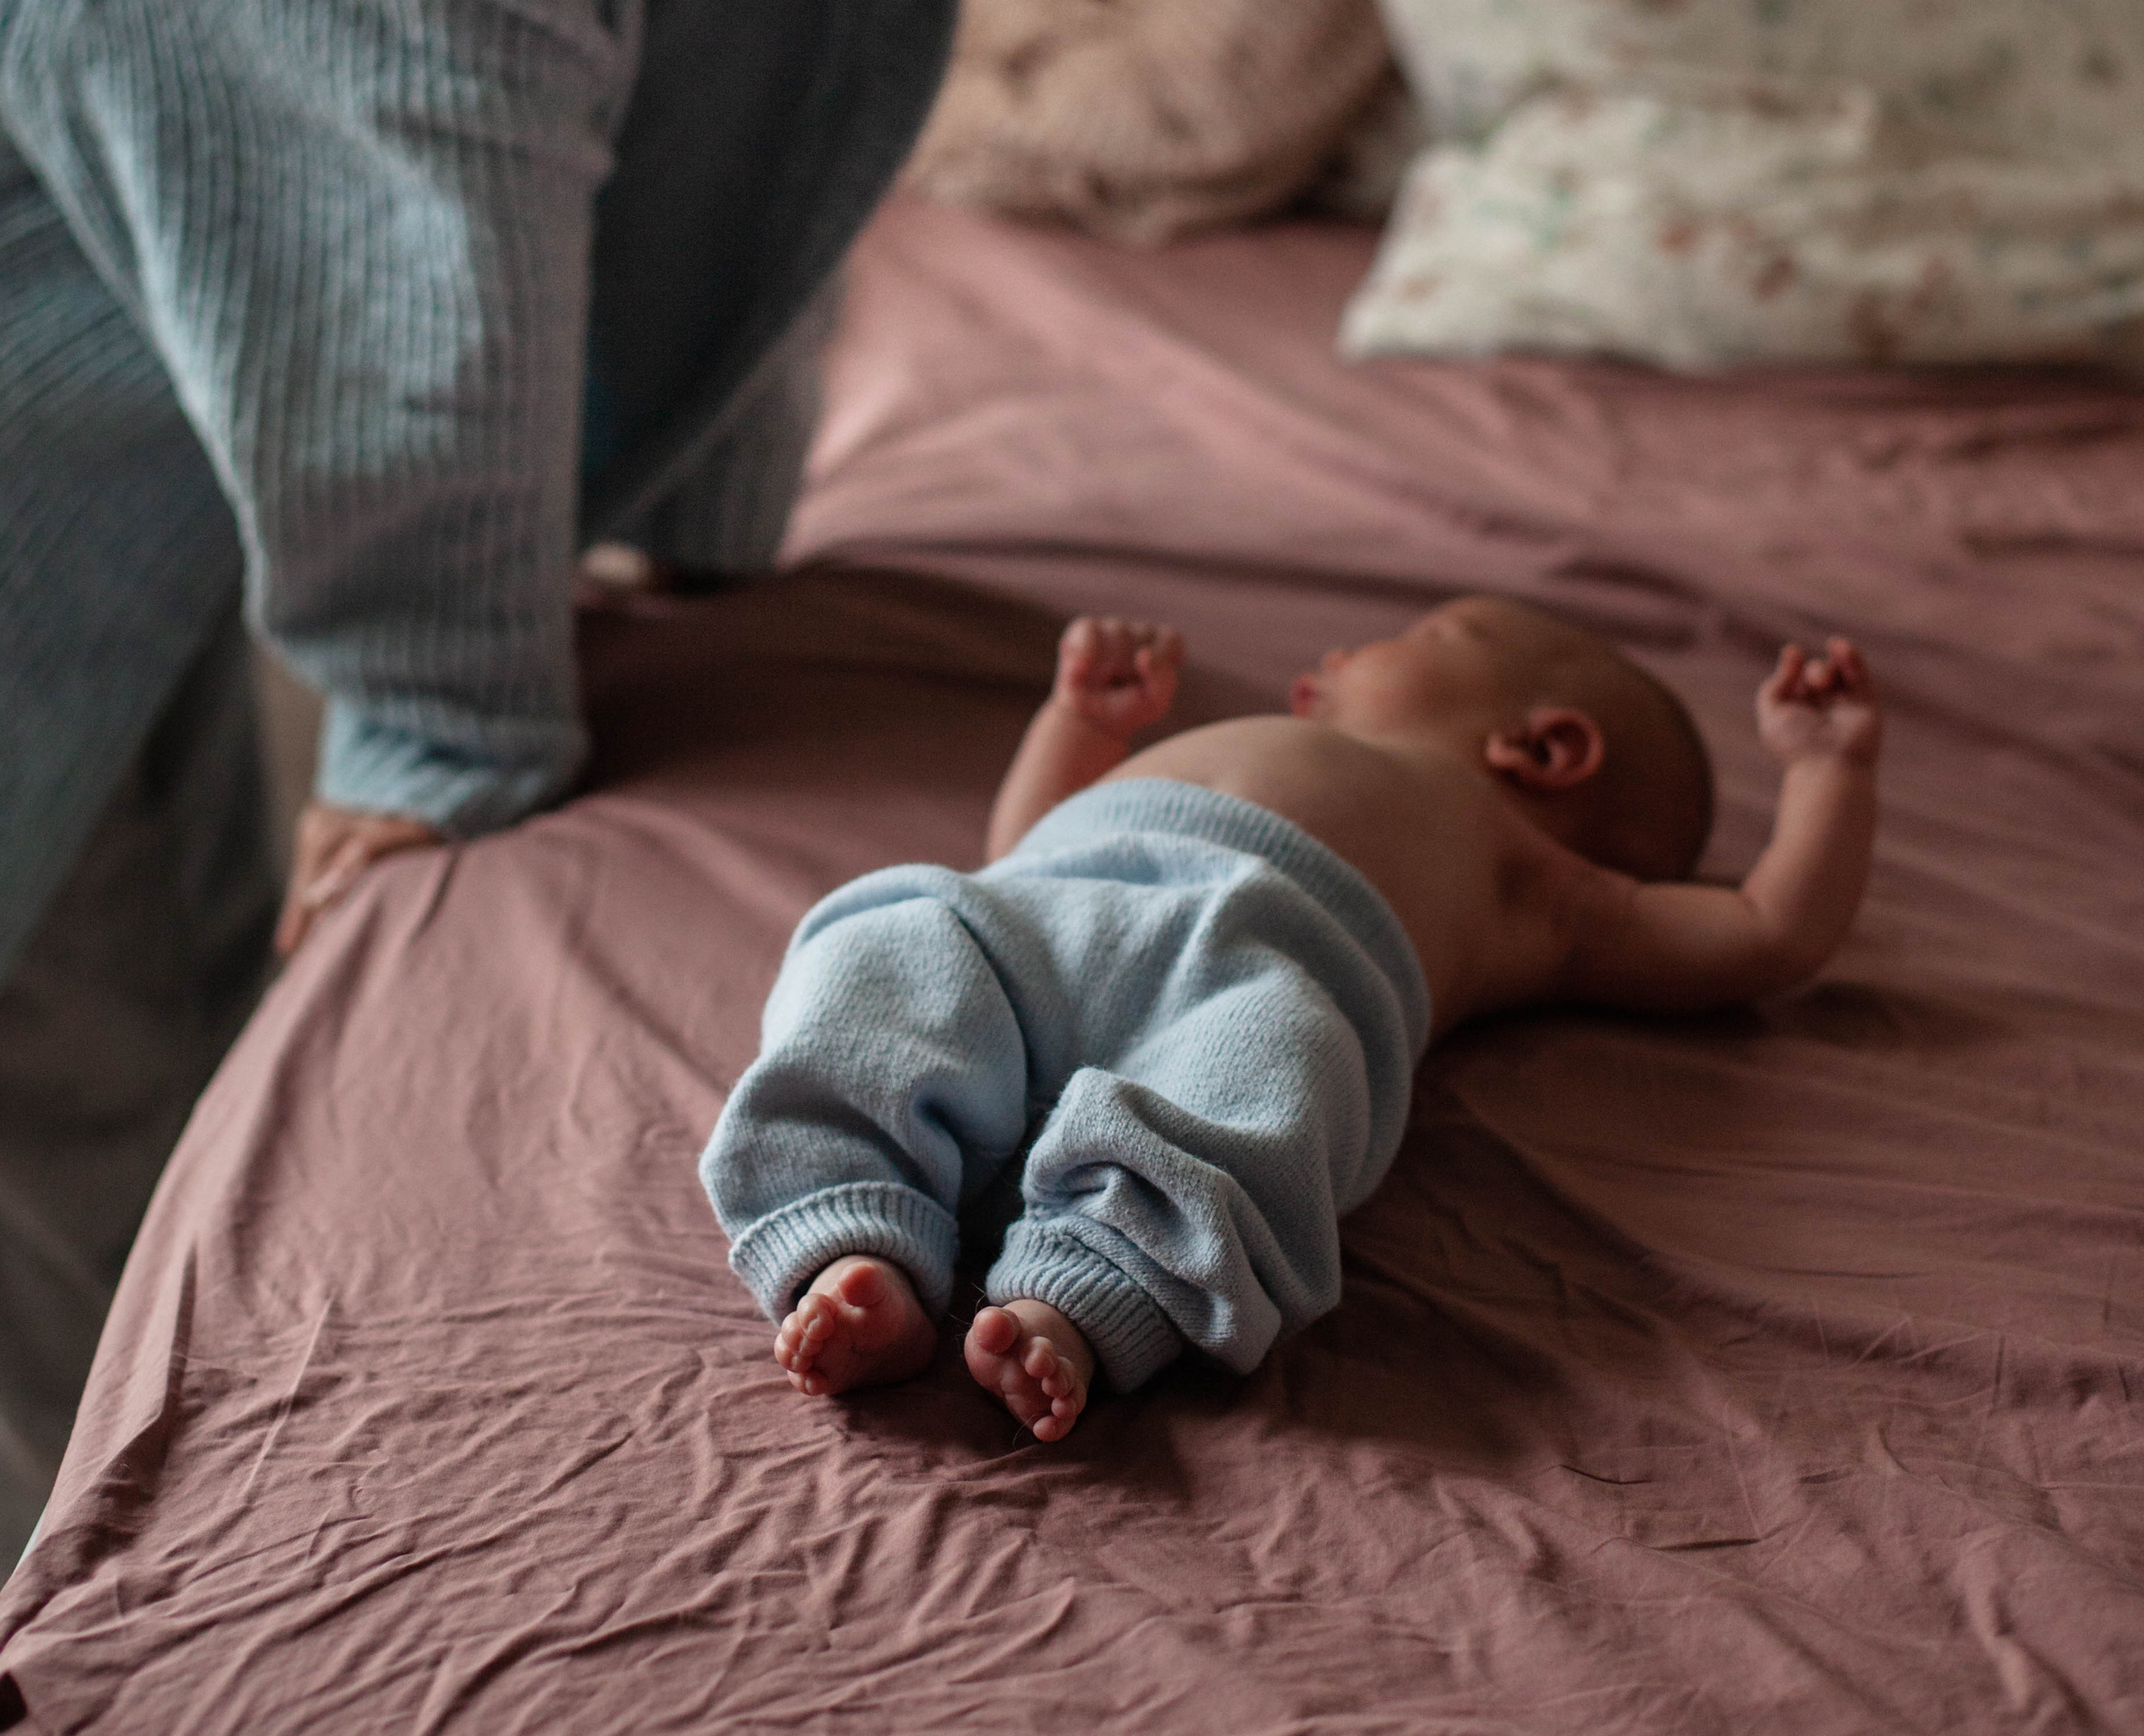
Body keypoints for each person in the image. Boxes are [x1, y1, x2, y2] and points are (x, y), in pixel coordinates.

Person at [0, 0, 1267, 1588]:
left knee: (152, 1054)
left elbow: (734, 148)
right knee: (65, 1074)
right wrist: (445, 713)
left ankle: (140, 1546)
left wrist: (704, 549)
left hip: (131, 447)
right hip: (32, 437)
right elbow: (401, 213)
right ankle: (95, 1618)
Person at [701, 597, 1881, 1441]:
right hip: (1049, 912)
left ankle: (1077, 1295)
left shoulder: (1540, 879)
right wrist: (1082, 729)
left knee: (1274, 1079)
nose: (1335, 652)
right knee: (885, 943)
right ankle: (854, 1237)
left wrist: (1827, 773)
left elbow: (1766, 933)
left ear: (1540, 746)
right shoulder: (1272, 741)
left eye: (1415, 638)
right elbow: (1018, 848)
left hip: (1264, 980)